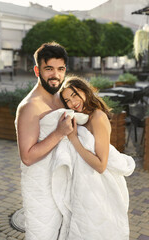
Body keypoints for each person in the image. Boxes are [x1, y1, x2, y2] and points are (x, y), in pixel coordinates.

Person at [58, 75, 135, 239]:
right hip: (84, 184)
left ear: (84, 91)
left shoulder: (98, 117)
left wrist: (74, 140)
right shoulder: (81, 117)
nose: (72, 103)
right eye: (67, 100)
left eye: (74, 95)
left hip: (100, 187)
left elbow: (101, 165)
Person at [15, 42, 74, 240]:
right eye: (48, 69)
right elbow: (27, 157)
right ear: (37, 70)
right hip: (40, 188)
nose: (55, 75)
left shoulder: (60, 97)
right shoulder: (30, 107)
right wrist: (59, 133)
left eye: (60, 69)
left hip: (63, 182)